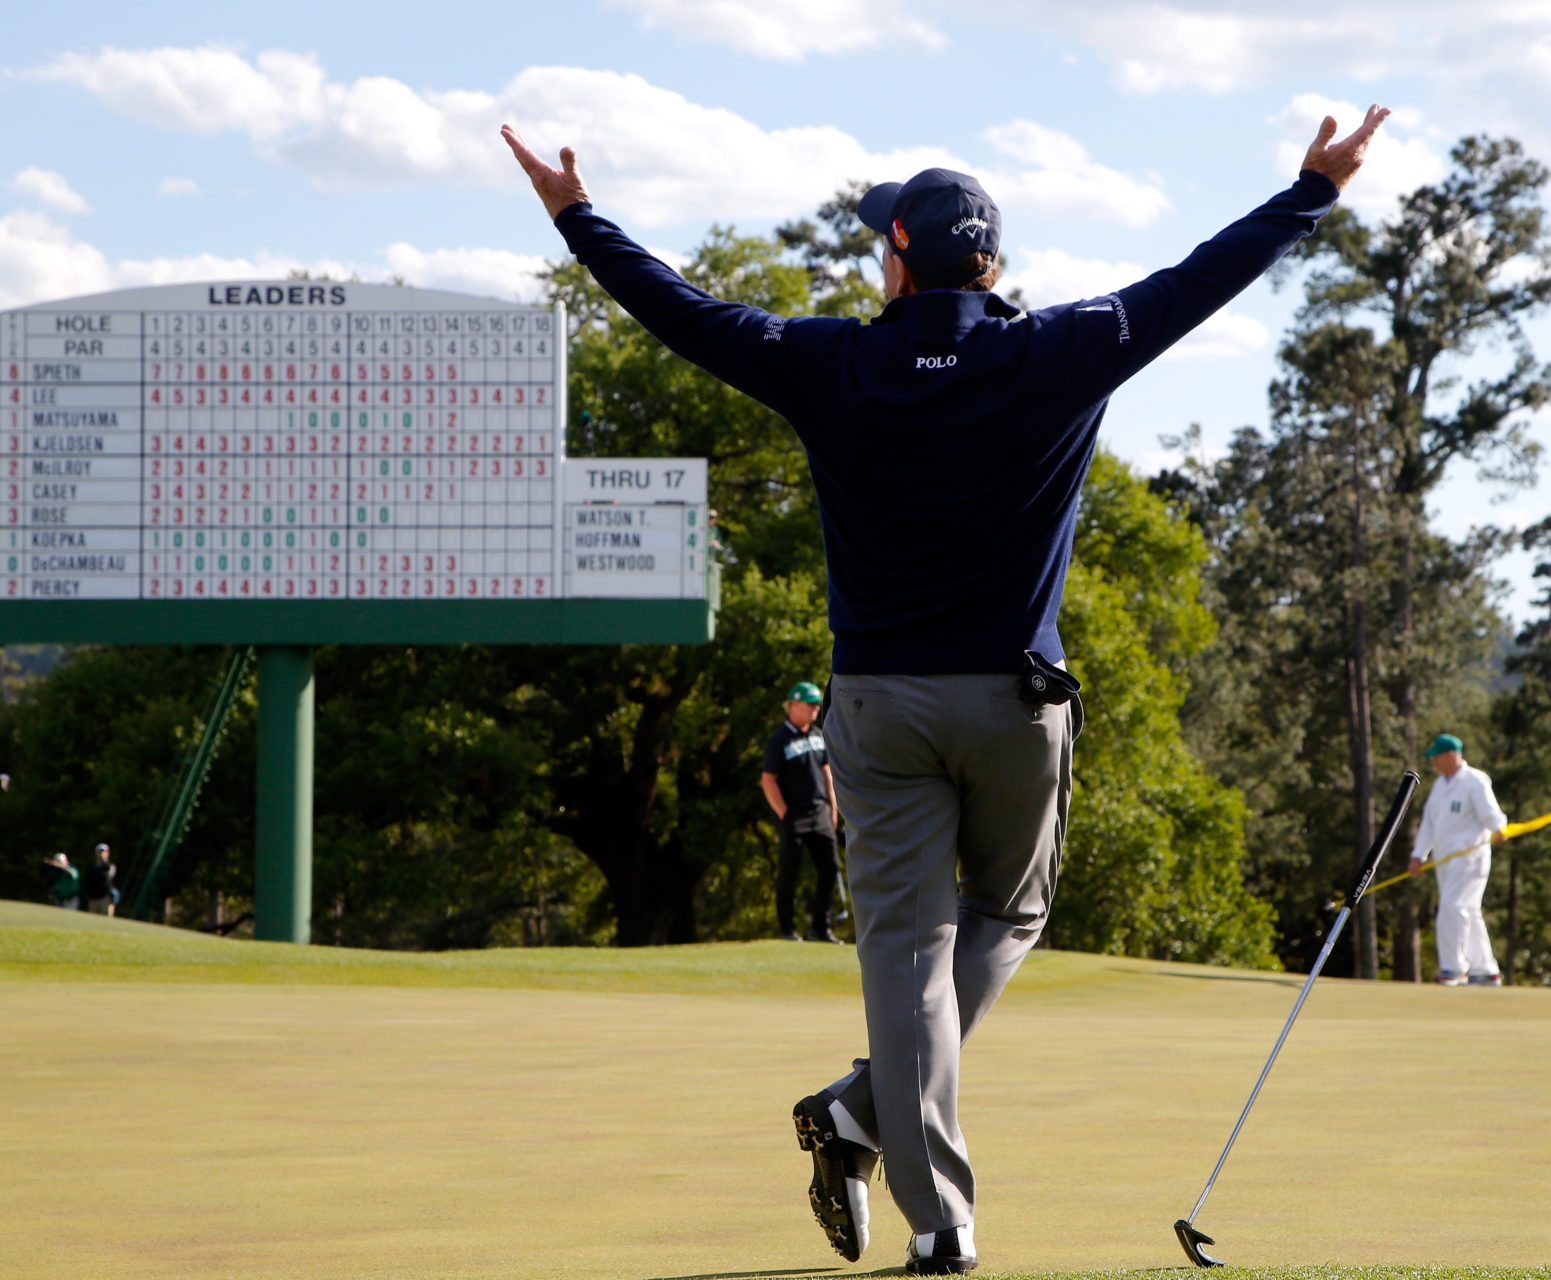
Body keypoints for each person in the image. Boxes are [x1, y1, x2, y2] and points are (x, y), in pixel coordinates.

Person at [503, 103, 1388, 1274]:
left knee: (905, 956)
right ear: (995, 262)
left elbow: (682, 310)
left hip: (874, 706)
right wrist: (1308, 192)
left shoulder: (833, 361)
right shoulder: (1064, 348)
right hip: (1017, 705)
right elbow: (1199, 278)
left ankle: (938, 1213)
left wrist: (579, 217)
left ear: (901, 259)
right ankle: (864, 1107)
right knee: (1008, 914)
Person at [1408, 733, 1507, 987]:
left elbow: (1491, 814)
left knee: (1452, 908)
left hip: (1470, 858)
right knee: (1469, 911)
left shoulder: (1475, 780)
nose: (1433, 763)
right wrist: (1419, 854)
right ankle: (1485, 970)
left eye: (1436, 757)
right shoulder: (1440, 785)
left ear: (1451, 756)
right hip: (1445, 861)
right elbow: (1429, 823)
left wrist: (1499, 829)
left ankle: (1454, 969)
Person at [761, 681, 842, 943]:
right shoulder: (779, 740)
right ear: (794, 705)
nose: (816, 708)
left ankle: (821, 927)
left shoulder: (818, 735)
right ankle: (787, 928)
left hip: (820, 811)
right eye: (810, 704)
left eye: (818, 704)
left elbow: (826, 771)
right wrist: (783, 813)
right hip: (793, 814)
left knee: (829, 867)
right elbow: (768, 780)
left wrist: (833, 806)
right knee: (789, 872)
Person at [83, 843, 118, 917]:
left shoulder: (110, 866)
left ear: (108, 853)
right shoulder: (91, 867)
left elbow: (107, 879)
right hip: (93, 898)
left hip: (105, 898)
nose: (101, 854)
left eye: (104, 852)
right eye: (100, 852)